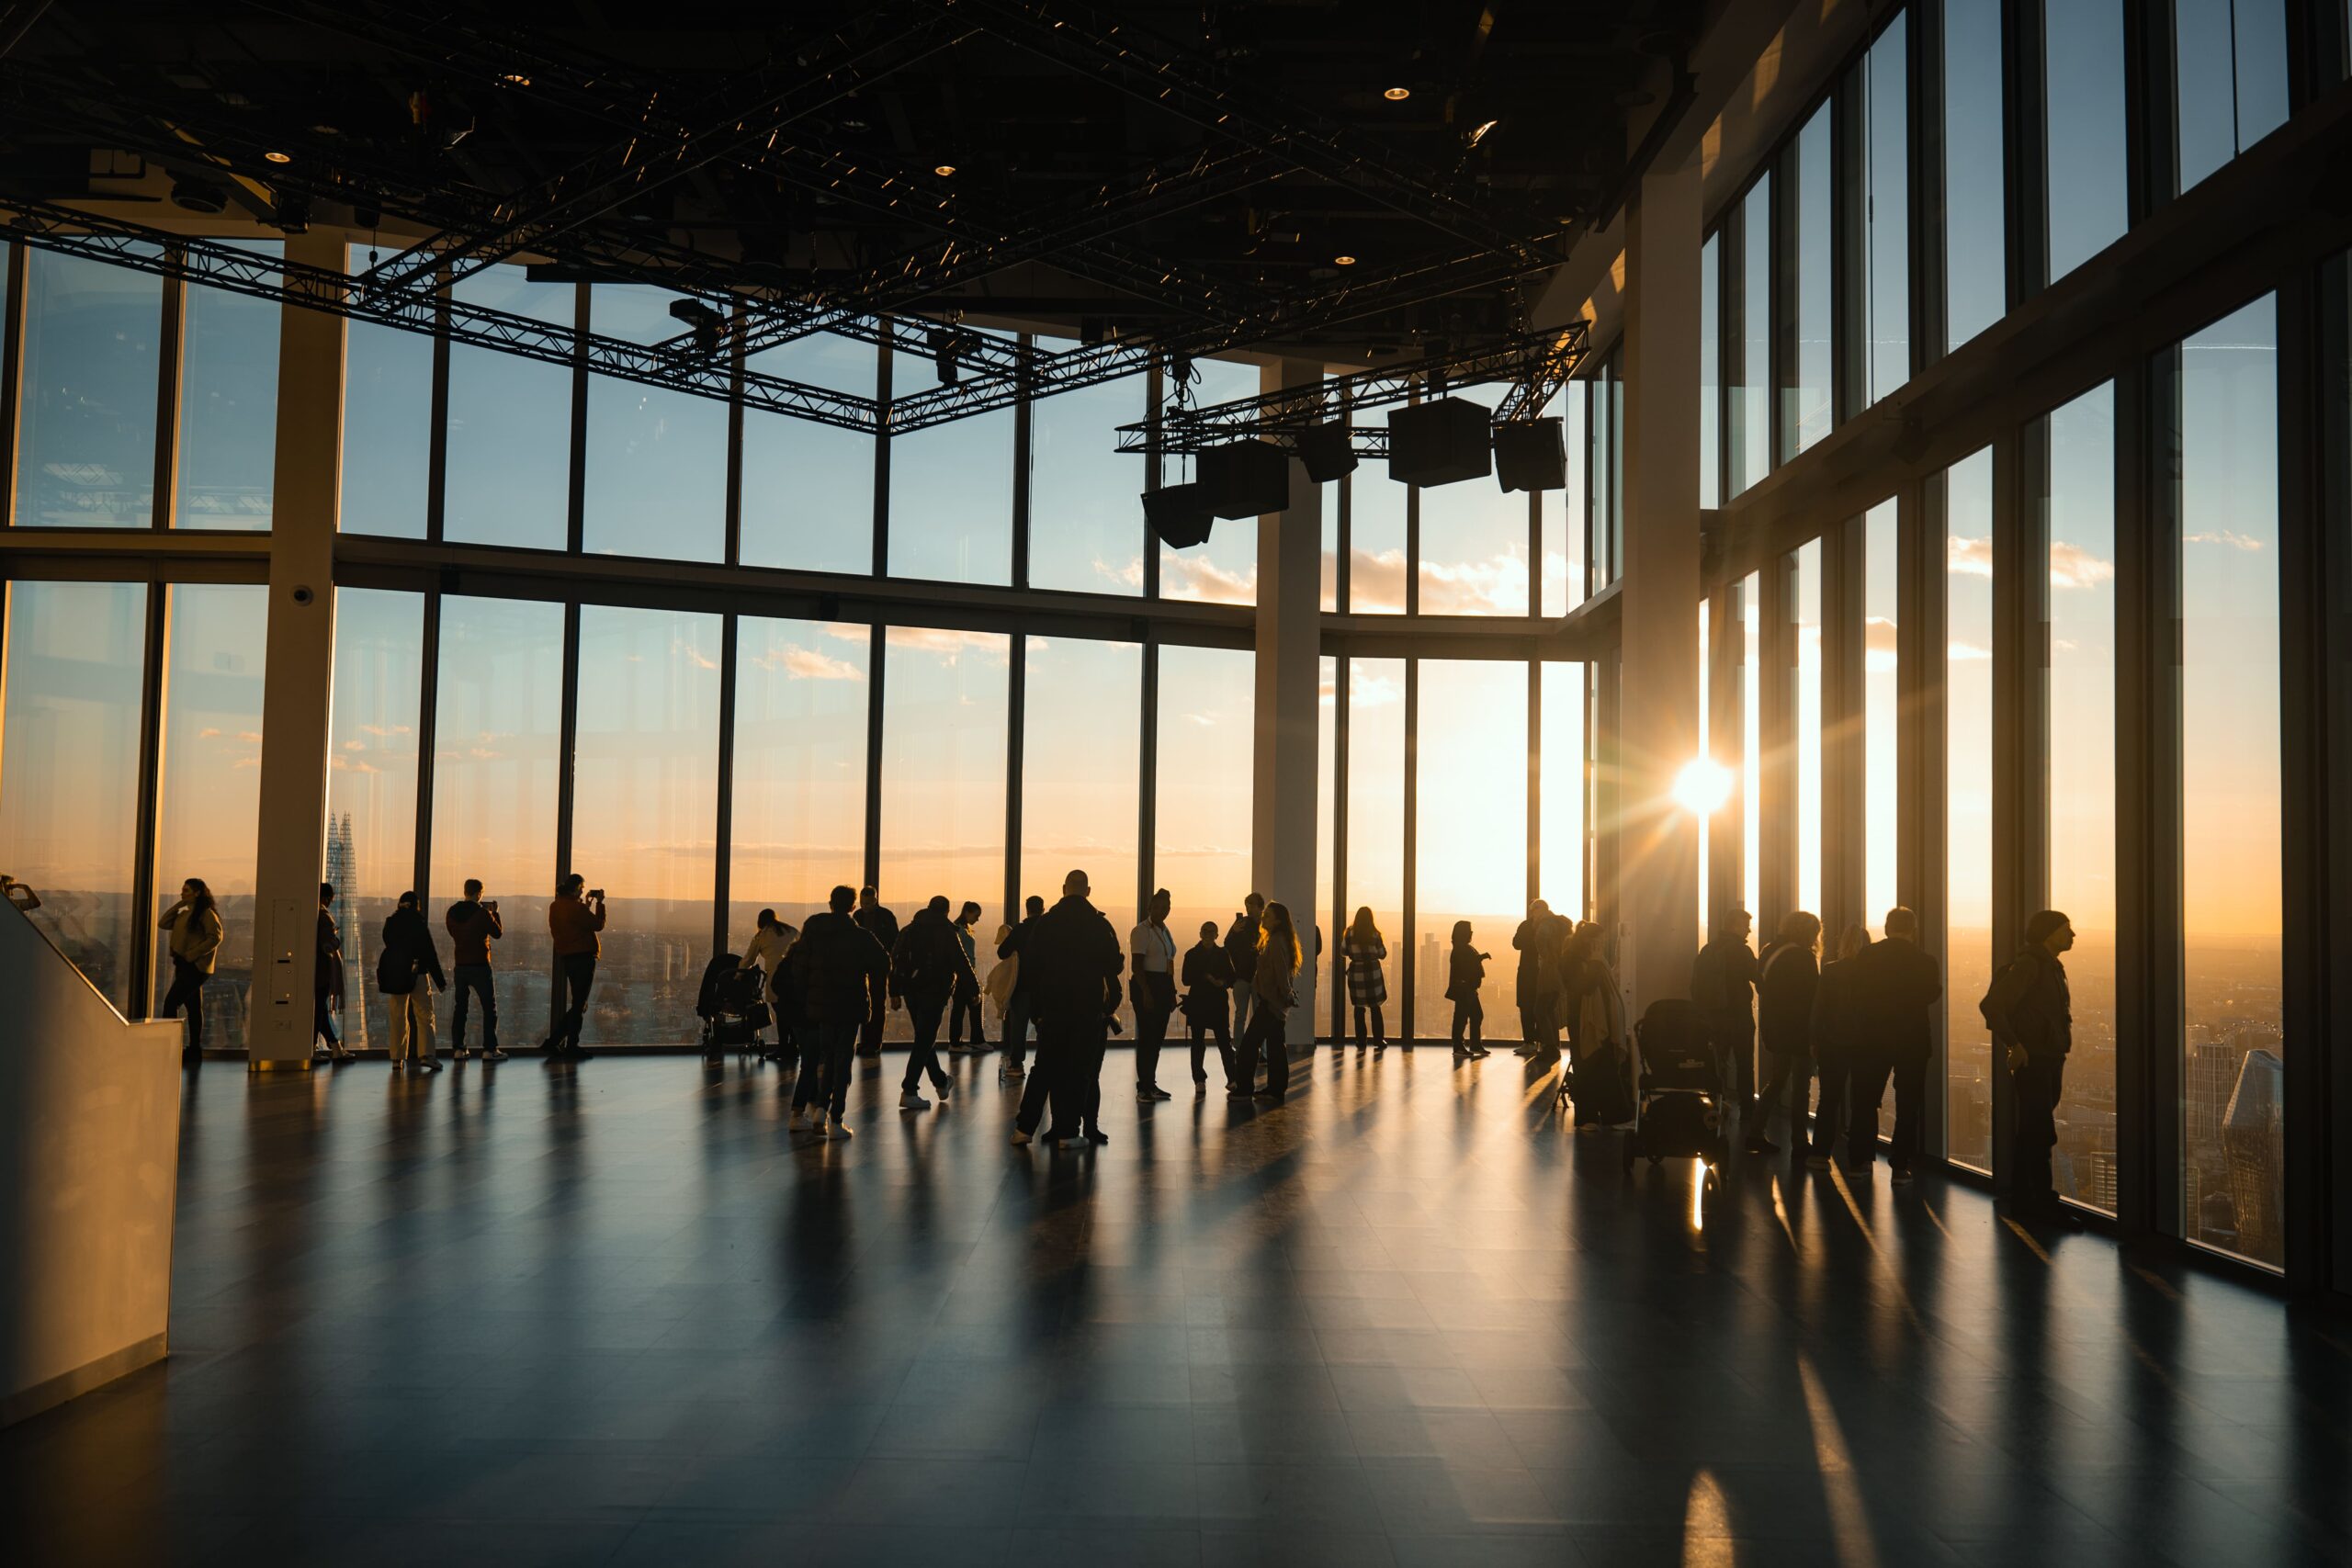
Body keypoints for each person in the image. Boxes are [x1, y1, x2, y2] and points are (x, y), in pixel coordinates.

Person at [1013, 868, 1124, 1148]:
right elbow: (1114, 965)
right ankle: (1067, 1132)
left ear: (1064, 888)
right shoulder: (1099, 925)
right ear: (1088, 890)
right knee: (1079, 1069)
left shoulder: (1047, 922)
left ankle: (1024, 1129)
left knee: (1044, 1068)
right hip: (1086, 1006)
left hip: (1053, 1006)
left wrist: (1039, 1007)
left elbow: (1033, 965)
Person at [1983, 909, 2076, 1220]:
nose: (2072, 935)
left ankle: (2024, 1201)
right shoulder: (2032, 965)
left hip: (2045, 1057)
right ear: (2049, 933)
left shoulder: (2047, 966)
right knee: (2040, 1130)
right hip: (2037, 1058)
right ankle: (2042, 1204)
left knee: (2033, 1130)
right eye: (2066, 929)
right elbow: (1993, 1006)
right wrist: (2016, 1045)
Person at [1847, 907, 1943, 1183]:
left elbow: (1854, 993)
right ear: (1913, 930)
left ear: (1887, 928)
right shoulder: (1925, 961)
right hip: (1912, 1039)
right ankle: (1900, 1166)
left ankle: (1859, 1161)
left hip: (1870, 1038)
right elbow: (1930, 994)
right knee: (1908, 1104)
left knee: (1864, 1101)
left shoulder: (1868, 956)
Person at [787, 885, 889, 1139]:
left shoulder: (813, 928)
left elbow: (798, 966)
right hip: (850, 1005)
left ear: (830, 903)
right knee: (842, 1061)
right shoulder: (861, 936)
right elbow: (884, 963)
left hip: (820, 1006)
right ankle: (834, 1119)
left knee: (827, 1055)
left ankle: (821, 1108)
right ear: (853, 907)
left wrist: (806, 994)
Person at [888, 895, 973, 1111]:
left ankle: (941, 1082)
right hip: (935, 991)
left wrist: (894, 991)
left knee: (924, 1039)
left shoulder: (910, 929)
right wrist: (974, 990)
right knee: (925, 1040)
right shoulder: (947, 932)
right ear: (946, 911)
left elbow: (895, 959)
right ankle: (909, 1090)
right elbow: (961, 962)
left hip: (911, 991)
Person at [1753, 911, 1822, 1156]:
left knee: (1777, 1080)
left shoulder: (1769, 950)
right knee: (1800, 1087)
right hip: (1800, 1029)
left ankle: (1755, 1130)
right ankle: (1800, 1141)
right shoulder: (1803, 957)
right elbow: (1813, 997)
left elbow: (1761, 985)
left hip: (1775, 1027)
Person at [1805, 924, 1872, 1169]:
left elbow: (1818, 1009)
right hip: (1866, 1045)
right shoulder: (1873, 974)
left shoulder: (1831, 971)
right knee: (1863, 1101)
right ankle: (1860, 1159)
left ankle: (1820, 1154)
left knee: (1829, 1098)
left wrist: (1814, 1040)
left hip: (1832, 1043)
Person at [1693, 908, 1762, 1142]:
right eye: (1745, 925)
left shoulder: (1708, 950)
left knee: (1716, 1064)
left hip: (1714, 1018)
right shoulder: (1742, 952)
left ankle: (1715, 1105)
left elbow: (1696, 986)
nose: (1749, 930)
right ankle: (1748, 1112)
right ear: (1734, 926)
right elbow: (1758, 977)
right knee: (1744, 1065)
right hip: (1740, 1017)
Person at [1238, 900, 1303, 1102]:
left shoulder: (1275, 941)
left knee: (1249, 1044)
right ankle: (1275, 1090)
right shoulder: (1281, 939)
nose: (1263, 917)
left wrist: (1286, 995)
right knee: (1275, 1046)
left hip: (1272, 1003)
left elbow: (1280, 973)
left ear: (1277, 920)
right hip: (1276, 1003)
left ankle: (1245, 1090)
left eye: (1267, 915)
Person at [157, 878, 223, 1066]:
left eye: (186, 890)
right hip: (186, 965)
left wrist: (192, 955)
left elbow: (216, 937)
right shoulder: (185, 911)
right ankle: (194, 1050)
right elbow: (163, 922)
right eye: (182, 890)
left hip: (195, 966)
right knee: (193, 1008)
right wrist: (182, 903)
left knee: (171, 1003)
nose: (182, 893)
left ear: (197, 893)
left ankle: (169, 1048)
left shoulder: (206, 914)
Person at [378, 890, 445, 1073]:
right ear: (416, 905)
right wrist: (440, 981)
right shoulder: (418, 923)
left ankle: (397, 1058)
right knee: (425, 1015)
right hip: (418, 974)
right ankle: (427, 1055)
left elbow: (389, 944)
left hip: (396, 975)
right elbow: (429, 953)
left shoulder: (390, 923)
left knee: (397, 1015)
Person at [445, 878, 506, 1063]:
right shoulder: (482, 913)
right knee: (489, 1008)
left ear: (465, 891)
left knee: (460, 1008)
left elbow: (454, 933)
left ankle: (459, 1049)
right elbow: (497, 933)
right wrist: (495, 914)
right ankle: (489, 1049)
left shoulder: (451, 913)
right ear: (479, 893)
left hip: (460, 965)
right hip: (480, 965)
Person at [547, 874, 605, 1062]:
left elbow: (573, 922)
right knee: (580, 1004)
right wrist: (600, 903)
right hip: (583, 957)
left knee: (579, 1003)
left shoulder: (556, 906)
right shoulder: (575, 907)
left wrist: (585, 904)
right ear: (575, 888)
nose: (583, 891)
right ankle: (567, 1044)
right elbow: (598, 925)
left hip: (568, 957)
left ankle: (556, 1042)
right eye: (581, 888)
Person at [1129, 887, 1178, 1100]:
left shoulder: (1165, 931)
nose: (1161, 911)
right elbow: (1137, 965)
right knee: (1147, 1038)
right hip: (1147, 985)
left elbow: (1169, 963)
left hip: (1163, 985)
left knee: (1157, 1039)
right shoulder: (1141, 931)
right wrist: (1146, 992)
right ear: (1149, 908)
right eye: (1157, 907)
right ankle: (1143, 1087)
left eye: (1165, 907)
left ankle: (1151, 1083)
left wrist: (1171, 991)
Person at [992, 895, 1046, 1082]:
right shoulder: (1048, 929)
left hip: (1021, 986)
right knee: (1044, 1026)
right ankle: (1045, 1064)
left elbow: (1002, 952)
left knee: (1019, 1027)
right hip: (1044, 988)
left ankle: (1016, 1065)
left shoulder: (1020, 930)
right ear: (1043, 909)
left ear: (1027, 908)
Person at [1180, 918, 1236, 1093]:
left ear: (1217, 935)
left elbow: (1231, 977)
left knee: (1220, 1042)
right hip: (1208, 1002)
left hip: (1206, 1001)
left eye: (1212, 931)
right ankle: (1226, 1078)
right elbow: (1185, 979)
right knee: (1207, 1042)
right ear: (1200, 933)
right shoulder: (1220, 954)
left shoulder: (1194, 954)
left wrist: (1221, 981)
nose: (1209, 934)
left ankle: (1209, 1080)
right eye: (1206, 931)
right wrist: (1214, 980)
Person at [739, 907, 797, 1059]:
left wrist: (737, 975)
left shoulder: (761, 936)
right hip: (796, 978)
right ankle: (794, 1046)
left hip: (776, 980)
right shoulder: (792, 931)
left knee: (781, 1015)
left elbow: (749, 960)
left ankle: (784, 1047)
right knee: (793, 1014)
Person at [853, 887, 899, 1057]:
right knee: (872, 1004)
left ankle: (872, 1043)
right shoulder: (884, 916)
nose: (865, 906)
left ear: (875, 900)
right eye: (863, 903)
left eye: (868, 903)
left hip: (873, 966)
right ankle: (870, 1043)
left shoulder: (859, 917)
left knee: (875, 1004)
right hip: (872, 965)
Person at [312, 880, 351, 1062]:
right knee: (318, 1013)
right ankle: (312, 1050)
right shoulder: (325, 916)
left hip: (314, 971)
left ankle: (336, 1049)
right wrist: (337, 940)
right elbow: (328, 946)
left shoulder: (312, 913)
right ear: (327, 898)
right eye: (331, 900)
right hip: (322, 972)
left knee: (320, 1011)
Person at [1341, 906, 1388, 1051]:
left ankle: (1361, 1041)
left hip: (1357, 974)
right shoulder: (1375, 934)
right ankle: (1379, 1041)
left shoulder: (1349, 933)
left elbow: (1343, 951)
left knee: (1359, 1009)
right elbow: (1382, 954)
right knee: (1375, 1008)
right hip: (1372, 973)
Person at [1511, 899, 1555, 1054]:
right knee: (1544, 1008)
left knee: (1527, 1006)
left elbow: (1516, 944)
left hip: (1527, 971)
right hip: (1545, 972)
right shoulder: (1555, 925)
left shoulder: (1527, 926)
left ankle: (1530, 1042)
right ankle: (1545, 1043)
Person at [947, 900, 989, 1053]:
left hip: (963, 974)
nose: (977, 919)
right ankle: (968, 1041)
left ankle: (958, 1042)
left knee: (963, 1007)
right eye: (976, 915)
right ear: (967, 912)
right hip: (964, 974)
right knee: (968, 1007)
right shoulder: (959, 930)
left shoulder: (961, 928)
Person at [1447, 920, 1491, 1058]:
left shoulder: (1462, 947)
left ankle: (1473, 1045)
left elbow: (1469, 962)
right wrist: (1481, 957)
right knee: (1462, 1017)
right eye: (1469, 931)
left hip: (1468, 989)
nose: (1471, 933)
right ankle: (1460, 1046)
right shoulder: (1461, 948)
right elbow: (1467, 965)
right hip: (1465, 989)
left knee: (1474, 1015)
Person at [1224, 893, 1264, 1040]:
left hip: (1257, 976)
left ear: (1261, 907)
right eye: (1247, 906)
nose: (1248, 909)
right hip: (1242, 975)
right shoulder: (1242, 924)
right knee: (1243, 1014)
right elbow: (1227, 944)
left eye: (1252, 905)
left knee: (1257, 1015)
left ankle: (1257, 1049)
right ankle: (1240, 1047)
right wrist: (1234, 931)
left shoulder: (1266, 925)